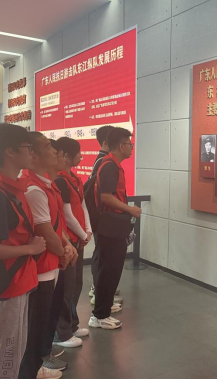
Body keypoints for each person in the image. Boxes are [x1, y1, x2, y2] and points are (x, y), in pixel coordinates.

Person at [0, 124, 46, 380]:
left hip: (16, 284)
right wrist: (30, 248)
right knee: (2, 362)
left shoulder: (12, 189)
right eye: (28, 147)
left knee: (11, 356)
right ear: (10, 152)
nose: (32, 153)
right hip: (5, 289)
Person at [19, 133, 77, 380]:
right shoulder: (33, 189)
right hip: (41, 267)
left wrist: (67, 245)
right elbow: (44, 231)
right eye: (48, 146)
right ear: (32, 154)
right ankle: (31, 369)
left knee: (44, 320)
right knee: (34, 326)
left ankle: (38, 362)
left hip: (52, 262)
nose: (54, 150)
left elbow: (56, 223)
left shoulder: (48, 185)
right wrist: (64, 252)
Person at [89, 127, 141, 330]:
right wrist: (130, 209)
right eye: (129, 144)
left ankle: (104, 310)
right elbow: (106, 197)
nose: (131, 148)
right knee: (108, 270)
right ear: (121, 146)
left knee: (112, 270)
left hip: (114, 226)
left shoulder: (113, 165)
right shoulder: (109, 166)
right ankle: (100, 315)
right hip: (110, 226)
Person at [52, 138, 102, 350]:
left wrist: (87, 231)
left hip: (78, 239)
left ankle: (71, 325)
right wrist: (83, 234)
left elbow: (82, 206)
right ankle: (61, 332)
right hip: (68, 240)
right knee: (65, 287)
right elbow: (66, 214)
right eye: (78, 153)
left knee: (76, 284)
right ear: (66, 156)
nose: (81, 156)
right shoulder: (60, 181)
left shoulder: (74, 179)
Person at [88, 125, 123, 305]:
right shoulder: (106, 163)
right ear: (106, 142)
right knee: (103, 256)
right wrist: (129, 209)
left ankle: (101, 291)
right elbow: (104, 195)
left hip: (102, 219)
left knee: (102, 254)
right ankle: (99, 292)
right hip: (104, 219)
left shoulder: (103, 161)